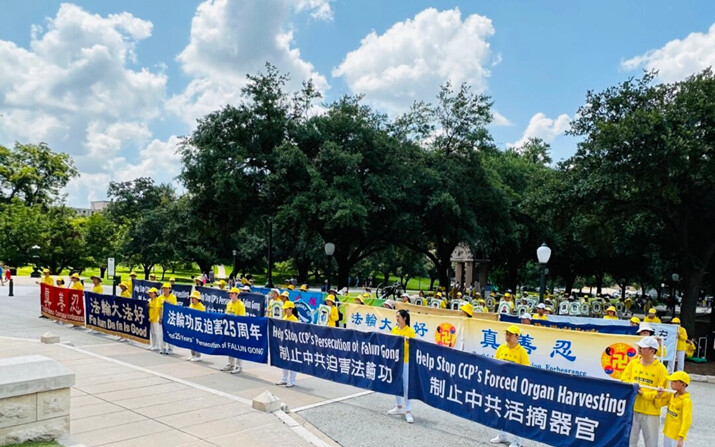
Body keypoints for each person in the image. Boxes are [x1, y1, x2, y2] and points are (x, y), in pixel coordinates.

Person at [621, 336, 669, 447]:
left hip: (651, 412)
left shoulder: (661, 369)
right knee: (630, 441)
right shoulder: (633, 364)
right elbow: (624, 379)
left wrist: (645, 394)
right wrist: (632, 387)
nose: (639, 348)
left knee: (651, 442)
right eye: (639, 346)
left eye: (643, 347)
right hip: (633, 409)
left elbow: (662, 391)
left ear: (652, 350)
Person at [491, 325, 530, 447]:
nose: (507, 337)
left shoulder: (522, 352)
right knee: (500, 409)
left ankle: (517, 441)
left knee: (514, 412)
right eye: (506, 334)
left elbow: (526, 370)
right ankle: (502, 435)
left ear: (517, 337)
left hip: (515, 387)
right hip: (501, 384)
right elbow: (495, 364)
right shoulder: (501, 348)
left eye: (510, 334)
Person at [387, 309, 416, 423]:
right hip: (395, 360)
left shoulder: (410, 331)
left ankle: (408, 411)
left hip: (405, 361)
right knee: (396, 383)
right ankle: (399, 406)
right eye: (396, 316)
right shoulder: (394, 329)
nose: (397, 318)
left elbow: (415, 347)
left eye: (399, 316)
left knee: (406, 386)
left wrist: (410, 343)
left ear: (405, 318)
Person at [657, 371, 692, 447]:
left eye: (675, 381)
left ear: (683, 384)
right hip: (667, 433)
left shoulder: (686, 401)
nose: (671, 382)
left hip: (676, 437)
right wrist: (659, 395)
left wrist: (681, 437)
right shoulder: (672, 395)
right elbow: (658, 404)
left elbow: (686, 421)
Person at [221, 287, 246, 374]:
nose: (230, 294)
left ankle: (238, 366)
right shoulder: (229, 304)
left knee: (238, 347)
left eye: (232, 293)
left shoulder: (241, 305)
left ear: (236, 294)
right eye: (230, 293)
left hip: (237, 329)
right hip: (230, 329)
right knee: (230, 346)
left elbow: (242, 318)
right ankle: (230, 364)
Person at [276, 301, 299, 387]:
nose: (285, 310)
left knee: (292, 362)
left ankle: (292, 380)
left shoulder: (295, 320)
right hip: (284, 342)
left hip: (292, 344)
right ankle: (284, 379)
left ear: (291, 309)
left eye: (286, 309)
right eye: (284, 309)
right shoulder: (284, 317)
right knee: (284, 361)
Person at [186, 291, 205, 361]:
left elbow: (202, 317)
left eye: (193, 298)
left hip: (197, 326)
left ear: (197, 298)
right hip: (191, 324)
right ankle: (192, 354)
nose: (192, 299)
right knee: (191, 340)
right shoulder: (191, 305)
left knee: (196, 340)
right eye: (192, 298)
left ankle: (198, 355)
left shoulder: (201, 307)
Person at [160, 283, 178, 354]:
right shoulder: (160, 297)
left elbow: (175, 308)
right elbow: (159, 308)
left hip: (170, 317)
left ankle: (170, 348)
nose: (164, 290)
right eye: (163, 288)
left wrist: (169, 303)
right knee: (162, 333)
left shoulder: (173, 297)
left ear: (170, 289)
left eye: (166, 288)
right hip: (163, 316)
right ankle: (163, 348)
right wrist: (160, 317)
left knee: (170, 332)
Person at [147, 288, 163, 352]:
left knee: (156, 333)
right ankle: (152, 344)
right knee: (152, 332)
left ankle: (157, 345)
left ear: (155, 293)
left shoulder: (157, 300)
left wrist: (152, 318)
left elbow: (157, 311)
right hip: (151, 318)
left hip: (155, 319)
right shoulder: (150, 300)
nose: (150, 294)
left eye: (151, 293)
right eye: (149, 293)